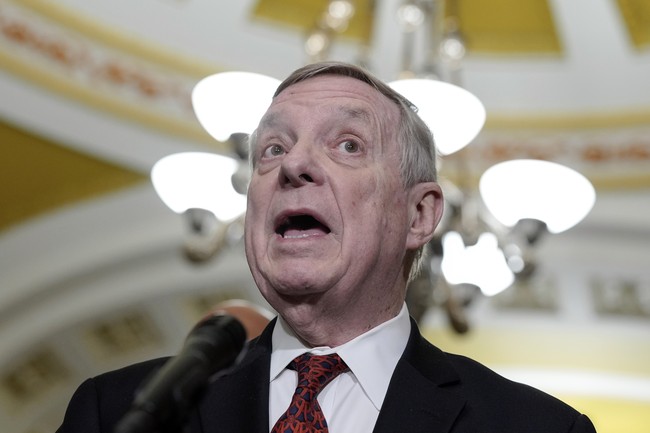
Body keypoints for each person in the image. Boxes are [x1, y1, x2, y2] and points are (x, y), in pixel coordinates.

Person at [57, 61, 597, 433]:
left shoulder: (536, 427)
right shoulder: (117, 411)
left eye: (348, 145)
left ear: (419, 215)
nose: (293, 164)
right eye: (273, 148)